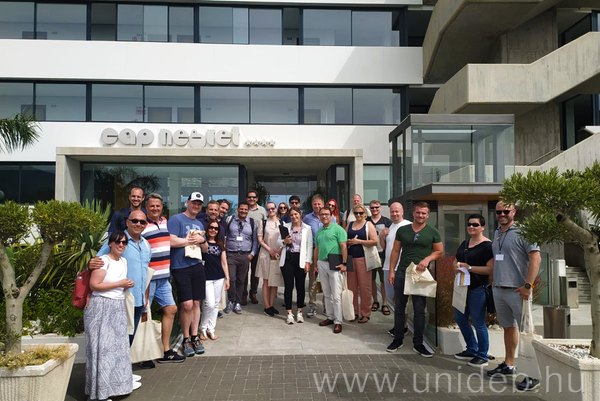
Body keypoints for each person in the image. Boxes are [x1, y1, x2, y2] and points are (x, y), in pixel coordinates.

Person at [486, 202, 541, 391]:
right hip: (500, 290)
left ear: (514, 212)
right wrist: (494, 280)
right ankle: (509, 365)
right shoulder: (497, 233)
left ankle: (533, 375)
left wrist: (528, 285)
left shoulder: (524, 232)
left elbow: (536, 258)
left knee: (527, 333)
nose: (502, 214)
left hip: (519, 292)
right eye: (498, 211)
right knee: (508, 328)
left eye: (506, 211)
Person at [85, 230, 137, 401]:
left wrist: (125, 285)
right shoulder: (103, 261)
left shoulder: (123, 261)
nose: (121, 245)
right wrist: (119, 283)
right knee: (102, 350)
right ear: (110, 243)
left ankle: (116, 386)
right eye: (117, 242)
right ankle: (100, 393)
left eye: (124, 242)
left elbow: (116, 284)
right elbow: (94, 285)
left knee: (117, 349)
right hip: (101, 307)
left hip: (117, 306)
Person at [387, 202, 443, 357]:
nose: (420, 215)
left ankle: (418, 343)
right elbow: (395, 250)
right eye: (418, 212)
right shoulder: (403, 230)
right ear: (413, 213)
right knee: (399, 308)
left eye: (424, 213)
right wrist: (391, 271)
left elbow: (439, 251)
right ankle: (398, 339)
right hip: (402, 272)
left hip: (420, 275)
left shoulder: (433, 232)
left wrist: (427, 259)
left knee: (419, 310)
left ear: (428, 215)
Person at [92, 210, 151, 346]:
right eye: (134, 221)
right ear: (127, 222)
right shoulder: (118, 241)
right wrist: (91, 263)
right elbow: (97, 262)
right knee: (115, 339)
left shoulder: (146, 244)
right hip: (119, 299)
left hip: (139, 300)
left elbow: (146, 272)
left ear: (145, 225)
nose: (138, 224)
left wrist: (145, 297)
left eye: (142, 222)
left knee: (129, 339)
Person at [140, 193, 185, 366]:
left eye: (158, 206)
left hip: (164, 277)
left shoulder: (165, 222)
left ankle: (165, 351)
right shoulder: (141, 224)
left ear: (162, 207)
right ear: (146, 207)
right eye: (151, 206)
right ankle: (142, 355)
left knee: (171, 309)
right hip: (148, 279)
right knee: (143, 315)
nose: (155, 208)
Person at [168, 192, 207, 358]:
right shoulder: (176, 219)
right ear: (187, 202)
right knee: (187, 305)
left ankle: (194, 336)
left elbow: (205, 249)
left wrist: (202, 241)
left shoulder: (199, 223)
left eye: (199, 204)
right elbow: (171, 241)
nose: (196, 206)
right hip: (180, 266)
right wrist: (190, 240)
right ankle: (185, 338)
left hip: (197, 265)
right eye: (194, 203)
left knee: (196, 303)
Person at [453, 214, 494, 367]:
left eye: (475, 224)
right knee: (460, 318)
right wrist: (455, 266)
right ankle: (471, 349)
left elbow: (491, 269)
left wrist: (469, 268)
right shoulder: (465, 243)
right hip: (462, 287)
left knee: (478, 323)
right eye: (469, 224)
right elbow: (457, 259)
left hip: (478, 288)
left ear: (482, 227)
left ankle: (482, 355)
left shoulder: (487, 246)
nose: (471, 227)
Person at [314, 206, 348, 334]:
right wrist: (315, 264)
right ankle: (330, 316)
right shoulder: (319, 231)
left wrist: (344, 263)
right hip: (321, 263)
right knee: (327, 293)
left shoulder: (338, 229)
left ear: (331, 215)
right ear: (319, 216)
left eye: (326, 214)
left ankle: (338, 321)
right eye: (322, 214)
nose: (324, 216)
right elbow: (317, 248)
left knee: (336, 294)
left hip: (335, 264)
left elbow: (343, 246)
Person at [380, 202, 411, 337]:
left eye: (397, 211)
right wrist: (381, 236)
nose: (394, 214)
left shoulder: (408, 226)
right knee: (393, 299)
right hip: (388, 267)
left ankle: (403, 326)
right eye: (392, 211)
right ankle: (399, 325)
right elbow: (384, 248)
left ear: (402, 211)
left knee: (401, 300)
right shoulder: (390, 227)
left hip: (402, 267)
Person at [224, 201, 259, 315]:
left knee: (241, 280)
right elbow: (225, 236)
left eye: (245, 209)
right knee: (231, 279)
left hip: (245, 255)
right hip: (231, 254)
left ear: (248, 211)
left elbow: (255, 240)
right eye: (241, 209)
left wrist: (252, 254)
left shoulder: (252, 222)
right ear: (238, 209)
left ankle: (238, 302)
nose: (243, 211)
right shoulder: (230, 220)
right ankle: (231, 300)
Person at [346, 203, 378, 323]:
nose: (358, 215)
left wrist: (359, 241)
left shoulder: (368, 225)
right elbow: (343, 238)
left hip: (363, 259)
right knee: (351, 287)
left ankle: (365, 313)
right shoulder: (350, 224)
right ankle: (353, 311)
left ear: (365, 213)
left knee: (365, 287)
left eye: (361, 213)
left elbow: (375, 241)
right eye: (356, 213)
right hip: (350, 258)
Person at [281, 206, 313, 324]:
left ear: (300, 214)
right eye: (291, 215)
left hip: (301, 259)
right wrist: (284, 242)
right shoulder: (285, 227)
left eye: (296, 214)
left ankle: (299, 312)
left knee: (300, 286)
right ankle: (289, 313)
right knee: (288, 286)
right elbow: (278, 242)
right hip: (288, 258)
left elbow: (309, 245)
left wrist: (308, 261)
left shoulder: (307, 228)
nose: (294, 217)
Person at [200, 219, 230, 341]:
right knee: (209, 304)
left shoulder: (220, 244)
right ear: (207, 229)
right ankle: (203, 328)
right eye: (211, 227)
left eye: (216, 228)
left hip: (219, 277)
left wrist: (227, 278)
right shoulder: (202, 243)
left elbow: (224, 262)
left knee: (216, 304)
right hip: (206, 277)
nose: (213, 230)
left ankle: (211, 329)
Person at [303, 194, 330, 317]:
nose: (317, 206)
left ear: (323, 204)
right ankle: (312, 305)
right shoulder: (307, 218)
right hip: (313, 251)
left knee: (326, 280)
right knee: (313, 280)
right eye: (315, 204)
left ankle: (326, 306)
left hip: (327, 252)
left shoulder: (330, 217)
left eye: (319, 204)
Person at [256, 202, 284, 316]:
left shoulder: (282, 223)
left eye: (272, 208)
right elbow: (260, 239)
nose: (270, 210)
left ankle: (271, 305)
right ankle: (266, 306)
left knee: (274, 281)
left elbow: (285, 239)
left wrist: (279, 250)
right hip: (266, 253)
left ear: (276, 209)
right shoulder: (263, 223)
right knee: (266, 281)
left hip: (278, 254)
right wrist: (270, 250)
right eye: (268, 209)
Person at [367, 200, 392, 314]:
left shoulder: (387, 221)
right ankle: (375, 301)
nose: (374, 209)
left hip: (383, 255)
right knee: (371, 280)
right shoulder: (366, 221)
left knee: (383, 280)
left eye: (376, 207)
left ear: (380, 208)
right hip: (370, 254)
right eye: (372, 207)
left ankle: (385, 303)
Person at [244, 189, 266, 305]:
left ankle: (253, 293)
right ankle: (243, 294)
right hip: (245, 245)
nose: (251, 199)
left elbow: (265, 226)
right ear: (246, 198)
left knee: (255, 272)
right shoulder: (243, 209)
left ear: (257, 199)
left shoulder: (262, 210)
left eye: (253, 197)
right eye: (249, 197)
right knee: (244, 271)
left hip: (257, 245)